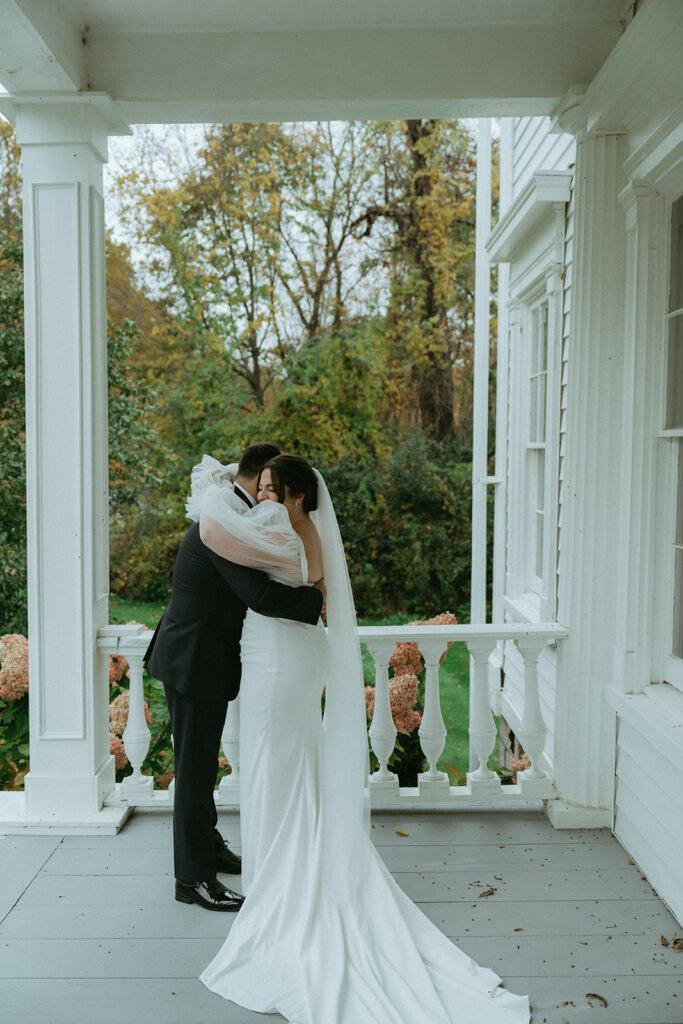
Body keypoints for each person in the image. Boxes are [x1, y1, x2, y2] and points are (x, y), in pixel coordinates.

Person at [190, 452, 530, 1024]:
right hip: (283, 653)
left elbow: (222, 539)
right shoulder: (295, 531)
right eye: (263, 487)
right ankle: (282, 863)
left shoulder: (284, 531)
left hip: (281, 659)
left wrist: (213, 495)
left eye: (274, 488)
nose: (265, 496)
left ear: (299, 495)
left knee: (279, 760)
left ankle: (281, 880)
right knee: (284, 761)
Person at [144, 443, 325, 913]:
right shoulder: (223, 522)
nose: (270, 497)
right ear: (253, 479)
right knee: (194, 771)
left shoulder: (232, 512)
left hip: (204, 657)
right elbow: (257, 594)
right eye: (266, 486)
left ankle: (210, 848)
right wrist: (316, 601)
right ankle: (193, 879)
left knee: (201, 765)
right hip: (193, 659)